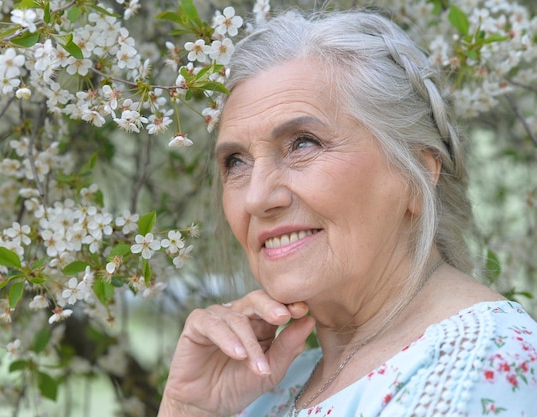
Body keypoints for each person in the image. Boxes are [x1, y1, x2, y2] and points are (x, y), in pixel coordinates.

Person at [157, 9, 537, 417]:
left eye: (303, 143)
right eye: (235, 162)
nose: (256, 197)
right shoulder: (265, 388)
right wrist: (188, 408)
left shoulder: (477, 372)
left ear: (417, 175)